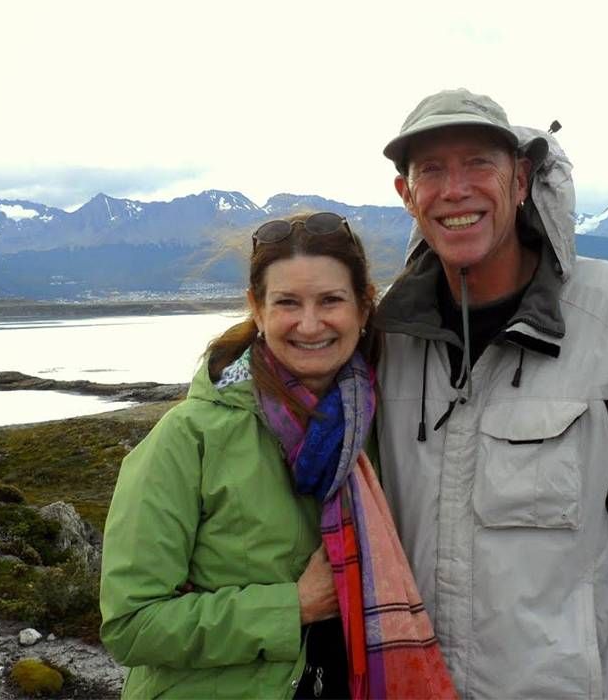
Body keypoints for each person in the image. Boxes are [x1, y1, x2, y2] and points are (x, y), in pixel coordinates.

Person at [372, 89, 608, 698]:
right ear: (406, 195)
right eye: (431, 170)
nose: (455, 189)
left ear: (520, 179)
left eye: (478, 165)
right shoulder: (384, 343)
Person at [100, 211, 455, 700]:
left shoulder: (383, 431)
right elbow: (132, 624)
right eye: (287, 302)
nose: (310, 324)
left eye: (331, 300)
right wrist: (293, 606)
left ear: (364, 307)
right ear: (258, 310)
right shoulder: (189, 438)